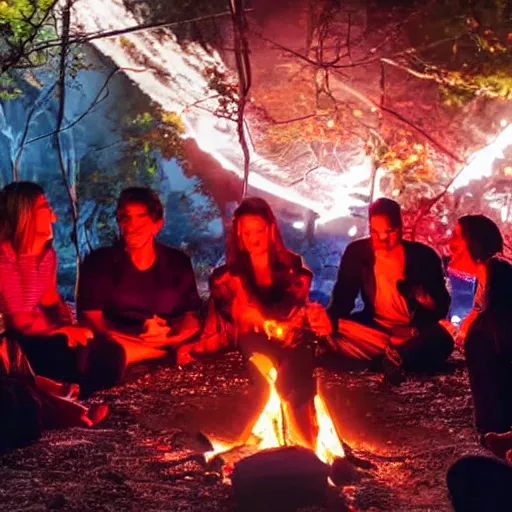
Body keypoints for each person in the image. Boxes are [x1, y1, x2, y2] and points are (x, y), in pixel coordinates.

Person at [178, 197, 332, 449]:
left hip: (290, 337)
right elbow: (238, 318)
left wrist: (294, 319)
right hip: (254, 340)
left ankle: (308, 448)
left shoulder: (291, 267)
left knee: (299, 356)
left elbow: (295, 307)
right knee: (259, 344)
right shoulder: (230, 277)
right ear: (239, 235)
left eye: (259, 230)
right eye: (247, 232)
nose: (253, 238)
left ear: (271, 230)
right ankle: (287, 442)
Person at [77, 186, 202, 378]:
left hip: (165, 340)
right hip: (119, 342)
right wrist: (136, 340)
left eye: (140, 218)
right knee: (102, 352)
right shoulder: (100, 262)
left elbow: (191, 317)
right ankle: (154, 355)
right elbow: (92, 318)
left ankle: (157, 354)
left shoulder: (177, 262)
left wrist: (172, 338)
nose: (131, 226)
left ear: (156, 224)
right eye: (125, 217)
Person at [327, 198, 453, 382]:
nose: (383, 239)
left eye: (389, 231)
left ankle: (395, 356)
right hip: (374, 331)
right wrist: (327, 322)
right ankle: (392, 358)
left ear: (401, 226)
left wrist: (425, 300)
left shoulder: (424, 256)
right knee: (334, 330)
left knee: (441, 340)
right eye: (375, 233)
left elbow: (442, 305)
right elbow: (343, 299)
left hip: (412, 334)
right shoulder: (357, 253)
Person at [0, 182, 104, 385]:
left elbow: (49, 299)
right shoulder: (5, 259)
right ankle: (65, 392)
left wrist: (67, 323)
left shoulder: (47, 256)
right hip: (13, 342)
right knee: (56, 348)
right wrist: (62, 332)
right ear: (25, 215)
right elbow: (21, 325)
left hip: (38, 333)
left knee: (103, 349)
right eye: (44, 207)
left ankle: (71, 386)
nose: (52, 213)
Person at [447, 214, 512, 435]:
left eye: (456, 236)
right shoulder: (488, 275)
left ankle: (495, 428)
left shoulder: (500, 273)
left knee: (477, 340)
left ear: (474, 242)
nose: (449, 244)